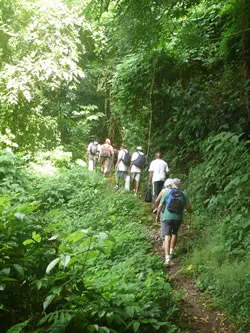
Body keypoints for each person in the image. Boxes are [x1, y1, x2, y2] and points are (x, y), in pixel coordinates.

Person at [155, 178, 192, 266]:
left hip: (167, 217)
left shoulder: (167, 192)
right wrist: (191, 211)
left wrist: (157, 216)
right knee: (175, 233)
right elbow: (188, 207)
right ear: (179, 185)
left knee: (167, 236)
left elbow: (160, 205)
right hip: (178, 218)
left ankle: (167, 258)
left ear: (171, 185)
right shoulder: (184, 193)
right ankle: (172, 251)